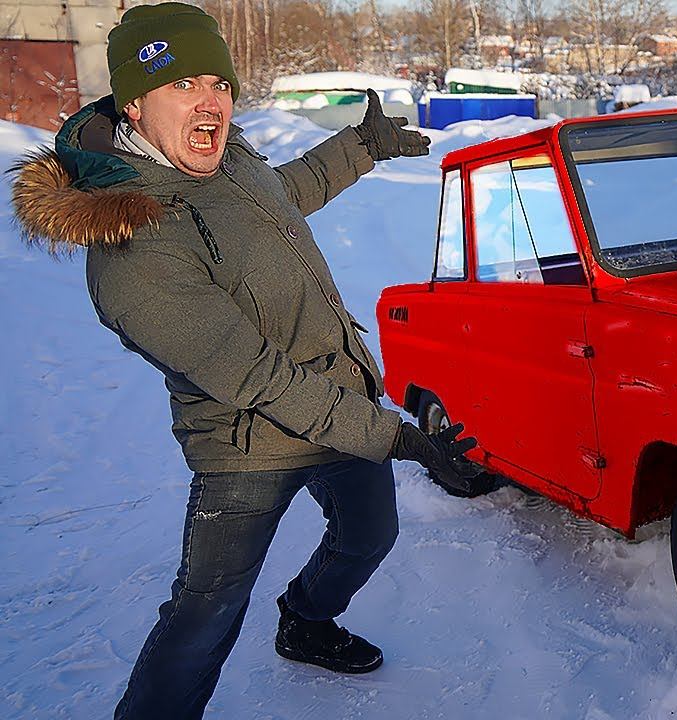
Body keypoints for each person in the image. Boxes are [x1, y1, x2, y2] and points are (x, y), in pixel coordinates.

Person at [10, 3, 480, 717]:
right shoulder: (132, 246)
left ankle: (306, 621)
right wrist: (396, 435)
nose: (211, 101)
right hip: (247, 446)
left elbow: (283, 196)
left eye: (219, 82)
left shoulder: (225, 162)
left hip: (336, 408)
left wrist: (363, 146)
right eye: (183, 85)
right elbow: (255, 375)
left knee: (370, 534)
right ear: (134, 104)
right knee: (206, 613)